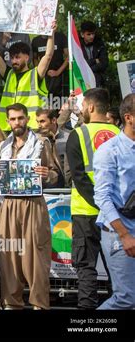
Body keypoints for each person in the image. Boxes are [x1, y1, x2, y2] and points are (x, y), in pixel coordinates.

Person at [0, 103, 60, 309]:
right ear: (8, 121)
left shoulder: (41, 143)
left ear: (27, 119)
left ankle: (39, 304)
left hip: (33, 204)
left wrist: (47, 174)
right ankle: (12, 304)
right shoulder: (3, 145)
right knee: (10, 257)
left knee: (36, 257)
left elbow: (56, 174)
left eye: (20, 118)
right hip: (9, 204)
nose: (17, 122)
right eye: (13, 119)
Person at [66, 88, 120, 309]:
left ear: (90, 107)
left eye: (82, 105)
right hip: (116, 214)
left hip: (85, 213)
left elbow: (78, 176)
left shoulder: (77, 134)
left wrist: (99, 203)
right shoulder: (120, 134)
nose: (80, 109)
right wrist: (109, 206)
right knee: (117, 269)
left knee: (86, 268)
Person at [94, 94, 135, 309]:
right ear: (128, 118)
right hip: (119, 232)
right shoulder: (109, 151)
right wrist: (125, 235)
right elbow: (102, 197)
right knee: (125, 299)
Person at [0, 19, 56, 131]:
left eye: (18, 57)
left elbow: (48, 55)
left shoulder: (35, 73)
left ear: (27, 57)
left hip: (31, 128)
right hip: (8, 127)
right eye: (12, 57)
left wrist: (51, 33)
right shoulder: (9, 73)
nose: (14, 61)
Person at [35, 108, 67, 187]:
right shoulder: (35, 140)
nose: (39, 125)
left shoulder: (68, 138)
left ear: (53, 120)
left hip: (65, 187)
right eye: (37, 122)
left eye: (42, 121)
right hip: (44, 186)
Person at [80, 21, 108, 88]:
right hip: (83, 82)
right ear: (82, 34)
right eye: (89, 34)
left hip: (99, 81)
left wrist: (88, 69)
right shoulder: (78, 46)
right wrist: (95, 60)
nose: (92, 36)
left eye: (93, 34)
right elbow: (80, 65)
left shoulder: (100, 45)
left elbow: (104, 63)